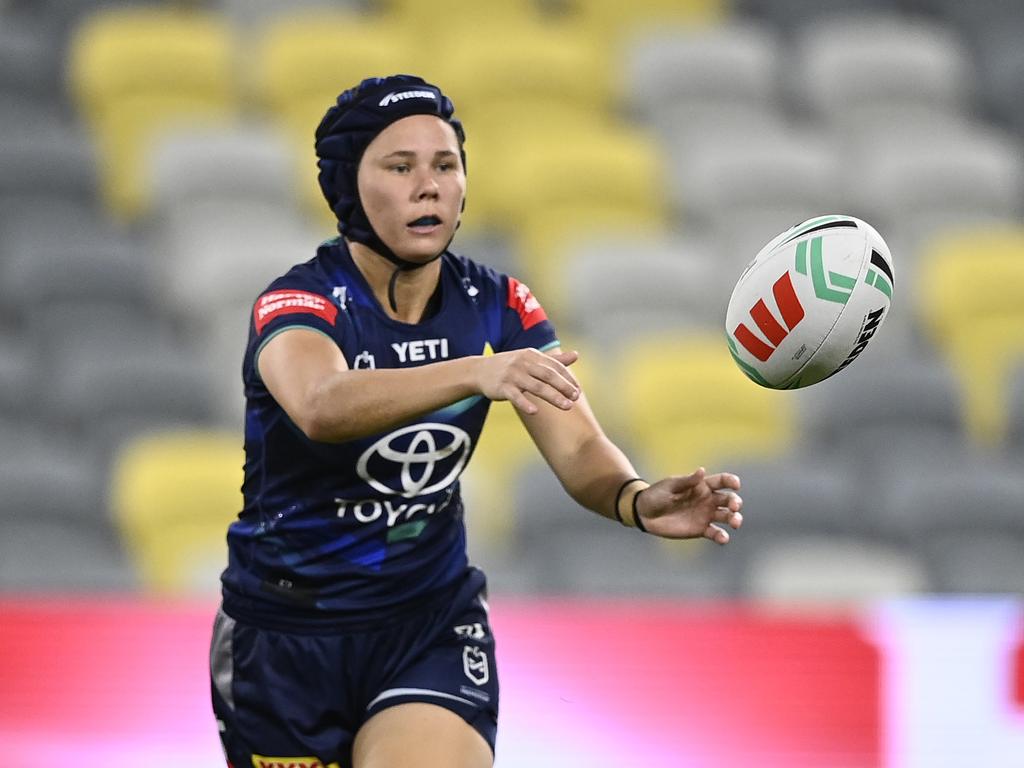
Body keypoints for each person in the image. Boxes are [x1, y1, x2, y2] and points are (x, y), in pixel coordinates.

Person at [209, 74, 744, 768]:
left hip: (426, 621)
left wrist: (634, 498)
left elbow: (578, 442)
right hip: (282, 638)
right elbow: (319, 405)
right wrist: (473, 372)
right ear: (347, 186)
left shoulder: (498, 303)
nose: (428, 186)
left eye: (445, 165)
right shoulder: (298, 303)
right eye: (399, 167)